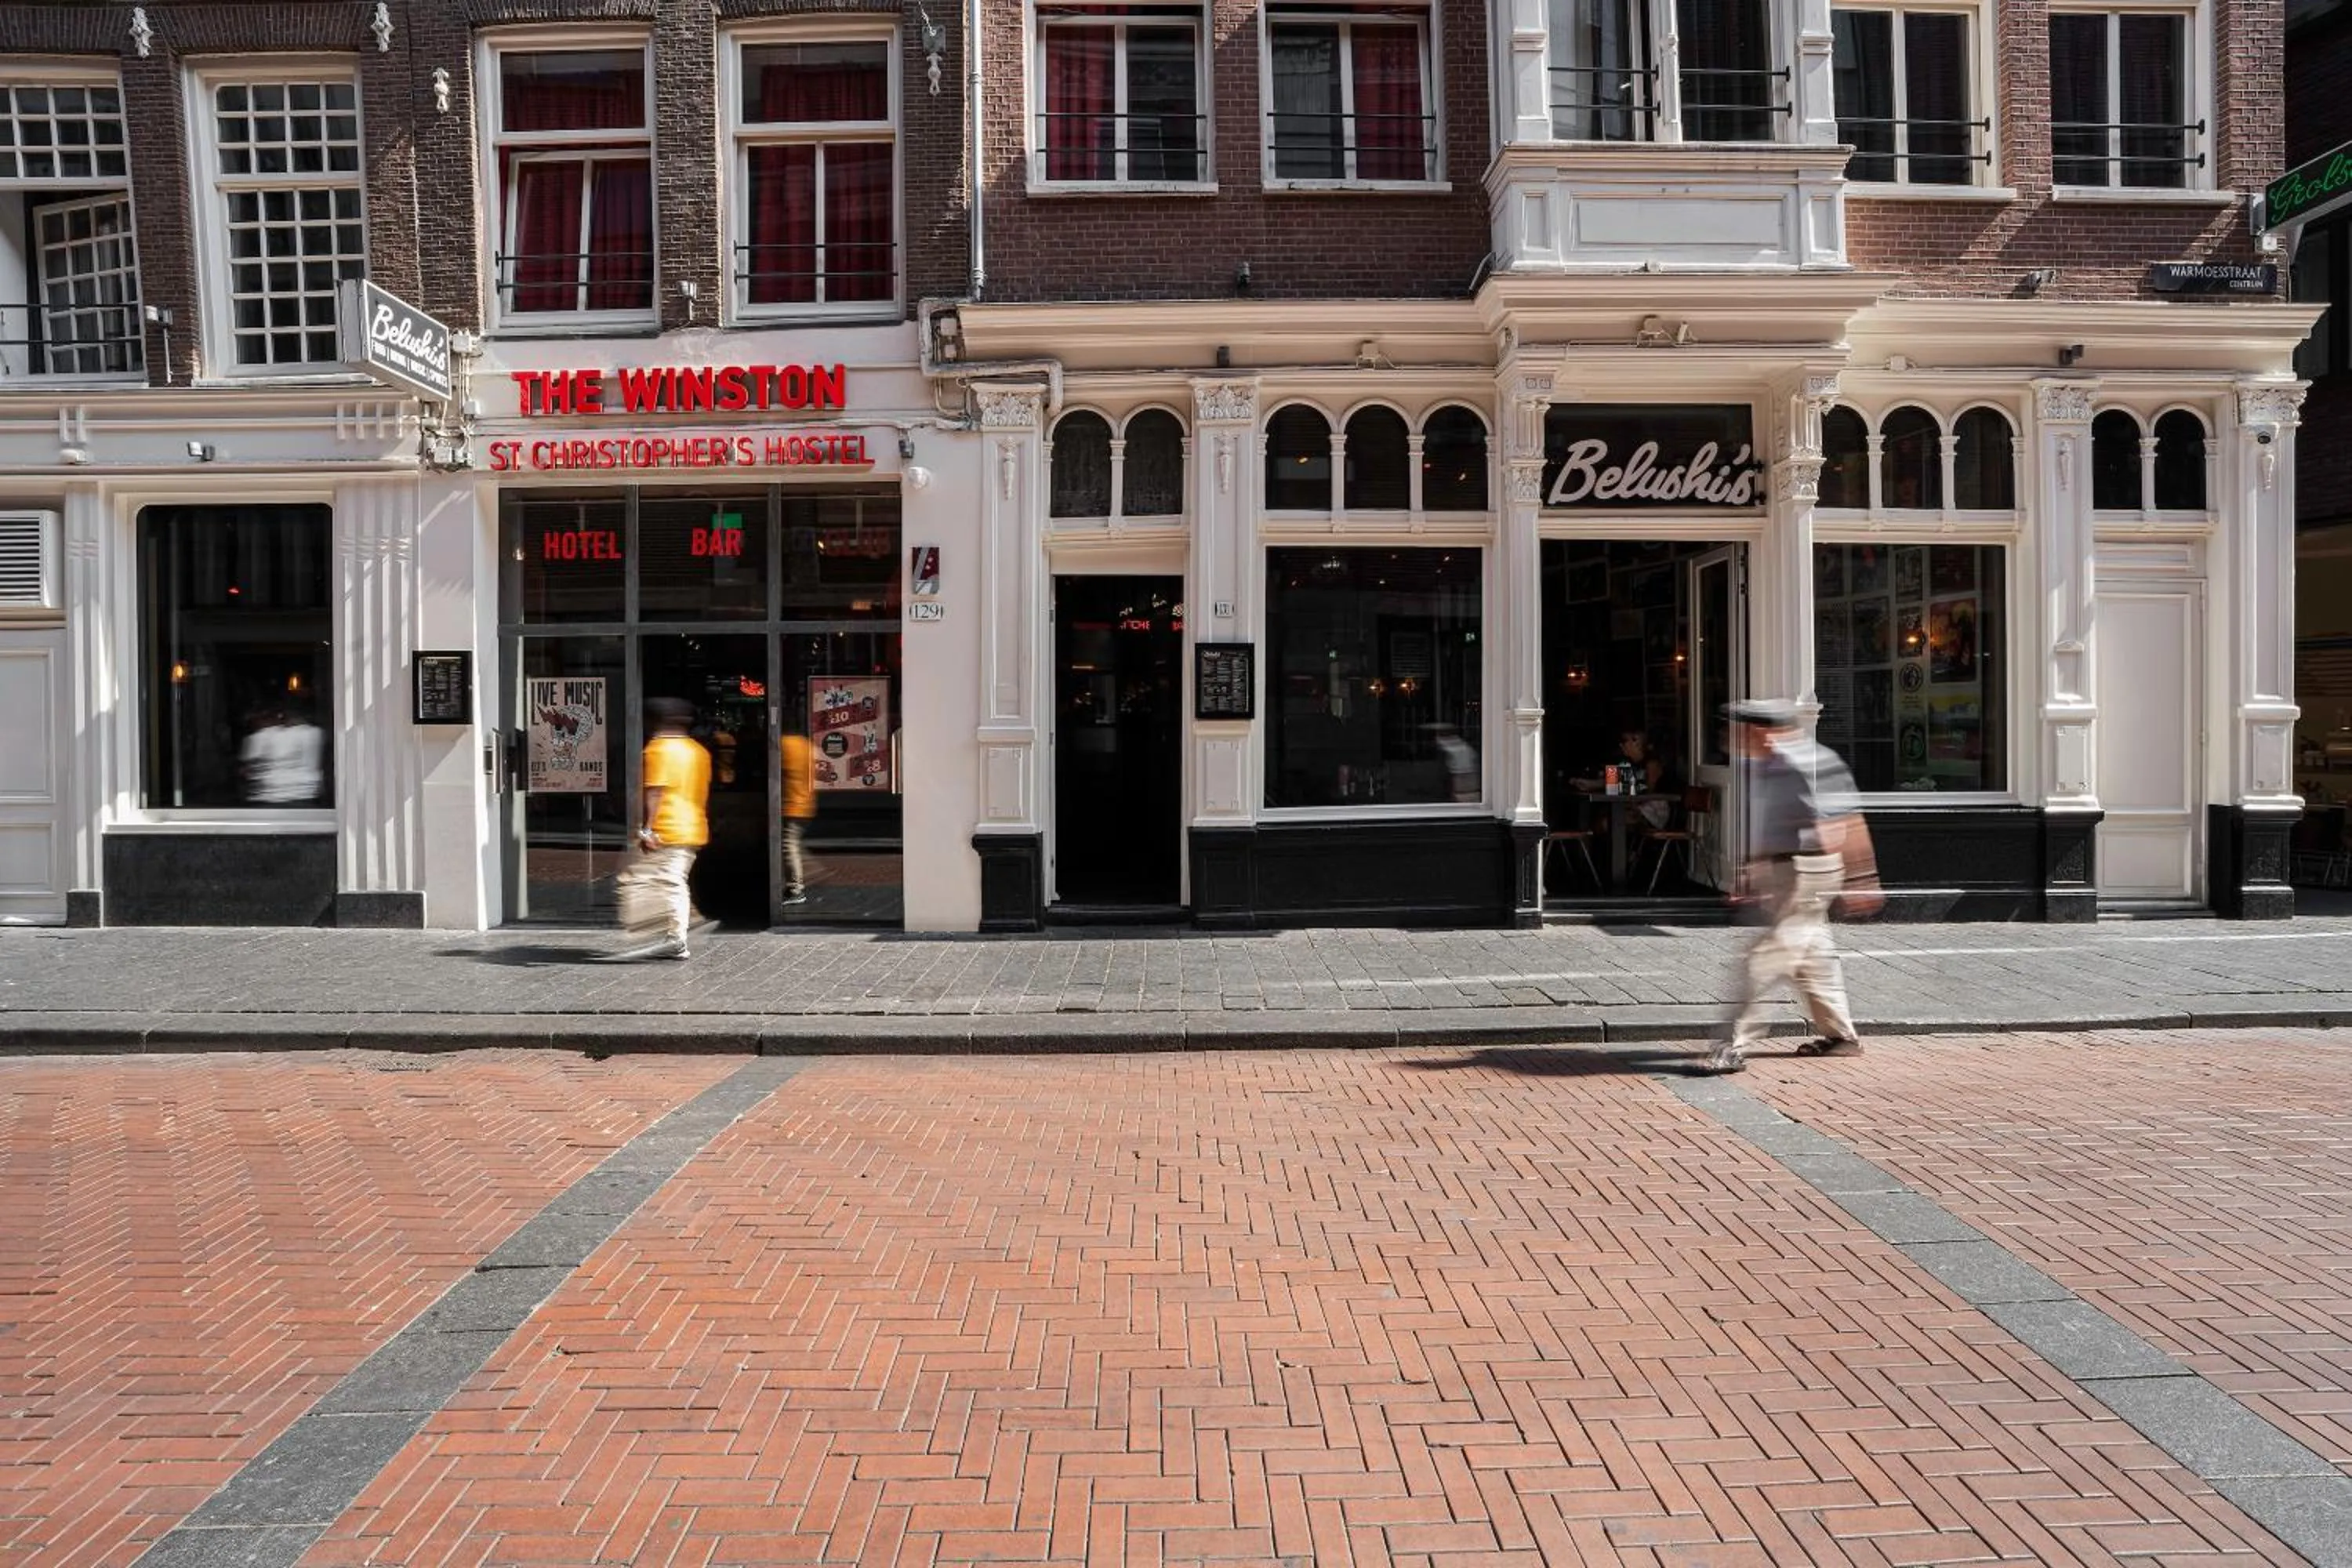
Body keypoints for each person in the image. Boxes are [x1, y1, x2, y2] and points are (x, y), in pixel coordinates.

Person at [1693, 698, 1882, 1074]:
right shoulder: (1760, 765)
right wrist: (1754, 868)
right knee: (1813, 958)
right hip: (1785, 870)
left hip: (1810, 871)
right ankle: (1841, 1037)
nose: (1728, 736)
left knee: (1766, 957)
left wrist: (1861, 878)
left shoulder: (1810, 763)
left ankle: (1732, 1044)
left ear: (1760, 731)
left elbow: (1847, 821)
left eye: (1735, 729)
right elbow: (1773, 821)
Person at [609, 698, 710, 961]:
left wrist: (647, 829)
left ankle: (678, 936)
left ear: (655, 721)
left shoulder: (659, 749)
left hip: (668, 827)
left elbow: (655, 791)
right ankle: (683, 922)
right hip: (693, 824)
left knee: (666, 880)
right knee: (653, 878)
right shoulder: (698, 751)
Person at [779, 728, 816, 906]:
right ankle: (802, 879)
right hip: (805, 802)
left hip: (792, 804)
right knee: (793, 845)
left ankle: (796, 888)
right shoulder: (806, 744)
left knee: (789, 846)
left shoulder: (784, 744)